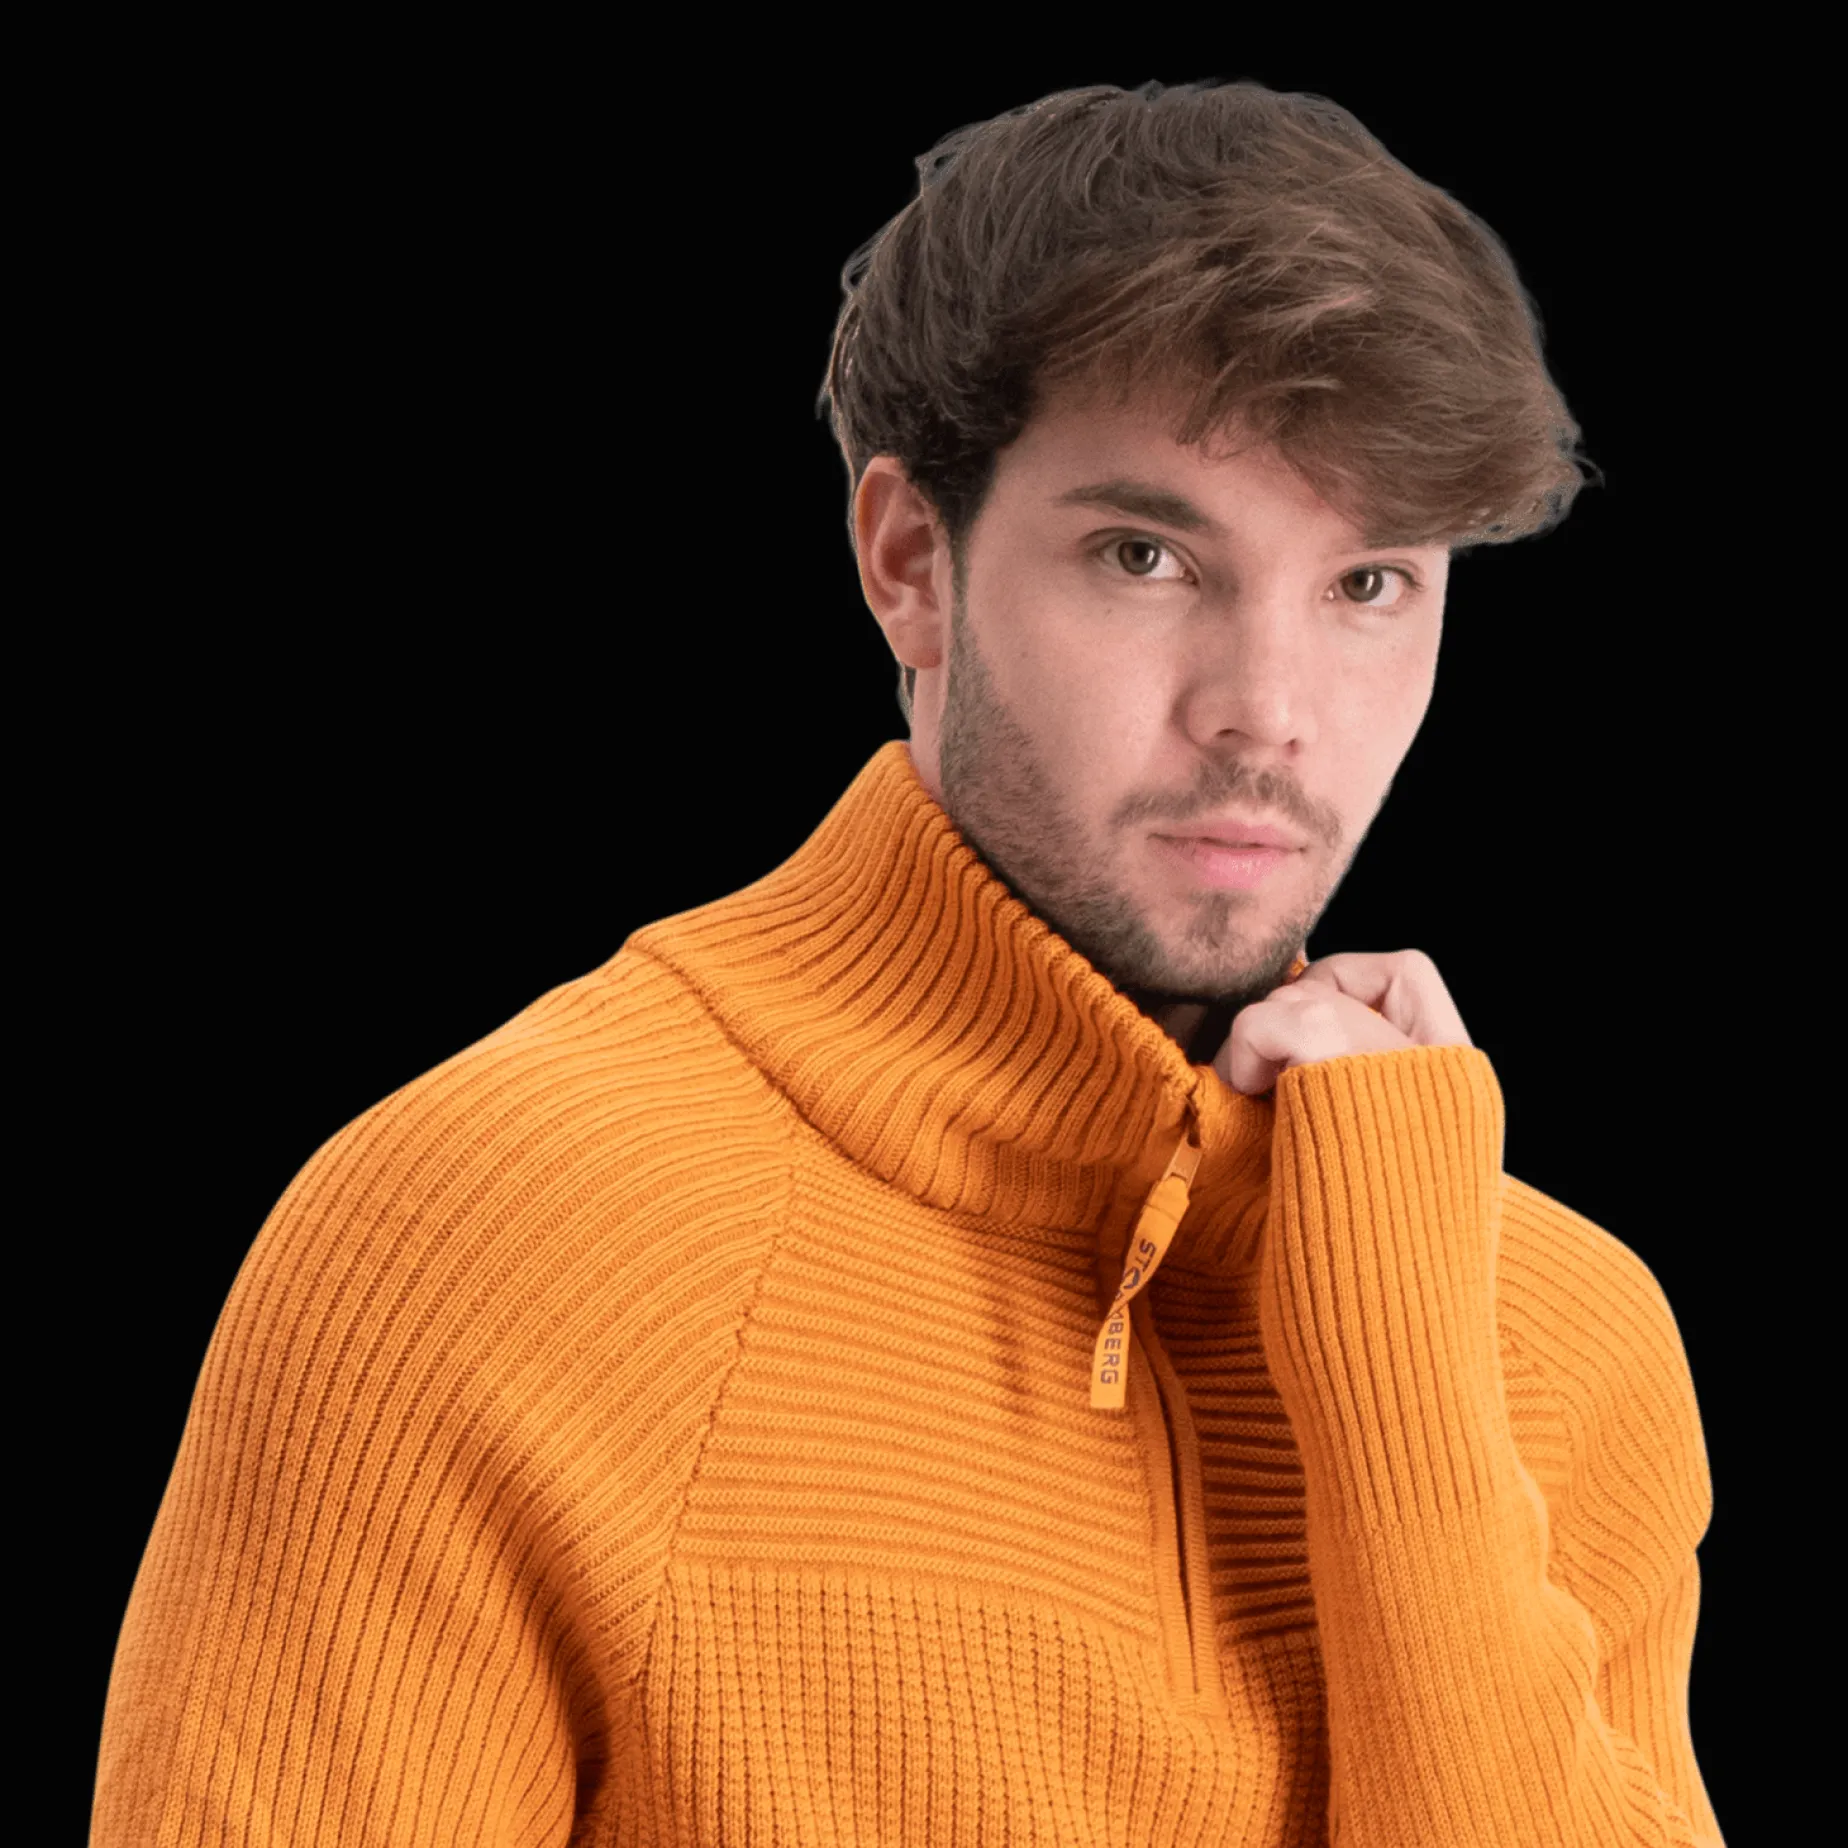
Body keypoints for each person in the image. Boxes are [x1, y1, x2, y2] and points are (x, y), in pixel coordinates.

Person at [92, 77, 1723, 1847]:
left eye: (1370, 586)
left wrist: (1409, 1368)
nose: (1270, 713)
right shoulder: (491, 1236)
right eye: (1146, 555)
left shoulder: (1561, 1333)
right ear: (907, 564)